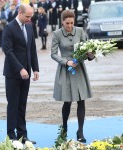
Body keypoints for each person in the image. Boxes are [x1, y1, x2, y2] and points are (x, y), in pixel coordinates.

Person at [51, 10, 92, 143]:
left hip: (79, 69)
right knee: (67, 101)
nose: (69, 26)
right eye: (67, 23)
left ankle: (80, 131)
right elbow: (53, 54)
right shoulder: (57, 34)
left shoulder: (80, 31)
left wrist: (90, 54)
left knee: (81, 100)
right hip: (65, 69)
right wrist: (66, 61)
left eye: (71, 23)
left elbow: (86, 48)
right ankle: (64, 128)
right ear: (62, 22)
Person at [2, 4, 39, 144]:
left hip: (27, 74)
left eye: (31, 16)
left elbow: (32, 49)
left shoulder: (29, 26)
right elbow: (8, 51)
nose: (29, 19)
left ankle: (22, 135)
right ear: (20, 13)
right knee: (13, 105)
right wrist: (20, 68)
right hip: (13, 74)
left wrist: (35, 68)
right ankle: (11, 136)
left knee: (22, 104)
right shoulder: (9, 28)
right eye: (27, 16)